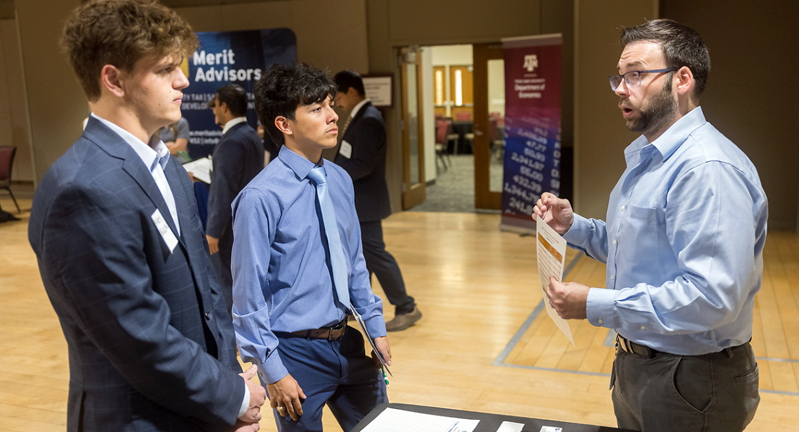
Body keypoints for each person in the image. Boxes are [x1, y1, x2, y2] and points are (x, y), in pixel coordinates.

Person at [27, 1, 266, 430]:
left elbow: (208, 290)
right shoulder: (80, 190)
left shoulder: (168, 166)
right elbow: (140, 338)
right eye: (164, 70)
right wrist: (233, 396)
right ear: (114, 80)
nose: (184, 80)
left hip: (199, 404)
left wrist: (230, 384)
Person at [533, 19, 765, 432]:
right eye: (619, 77)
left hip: (692, 379)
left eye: (636, 74)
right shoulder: (650, 157)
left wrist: (594, 303)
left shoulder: (705, 169)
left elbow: (712, 297)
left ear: (682, 79)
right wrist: (575, 226)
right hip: (642, 365)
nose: (622, 89)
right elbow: (640, 249)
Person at [231, 63, 390, 432]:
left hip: (347, 341)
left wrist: (375, 325)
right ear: (284, 125)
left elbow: (353, 262)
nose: (333, 115)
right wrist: (272, 371)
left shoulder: (339, 179)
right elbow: (247, 296)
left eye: (331, 104)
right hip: (294, 355)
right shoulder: (259, 197)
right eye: (317, 108)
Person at [331, 70, 422, 332]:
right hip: (360, 202)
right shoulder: (362, 116)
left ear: (351, 91)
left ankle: (407, 306)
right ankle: (359, 306)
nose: (337, 103)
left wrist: (335, 175)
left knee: (375, 255)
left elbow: (364, 164)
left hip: (366, 203)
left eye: (338, 97)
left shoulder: (369, 119)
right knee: (361, 257)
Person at [206, 84, 264, 314]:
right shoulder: (250, 135)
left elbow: (224, 189)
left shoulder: (231, 141)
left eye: (216, 106)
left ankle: (232, 342)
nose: (213, 111)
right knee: (244, 281)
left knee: (227, 283)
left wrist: (213, 231)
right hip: (246, 221)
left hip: (229, 227)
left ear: (225, 107)